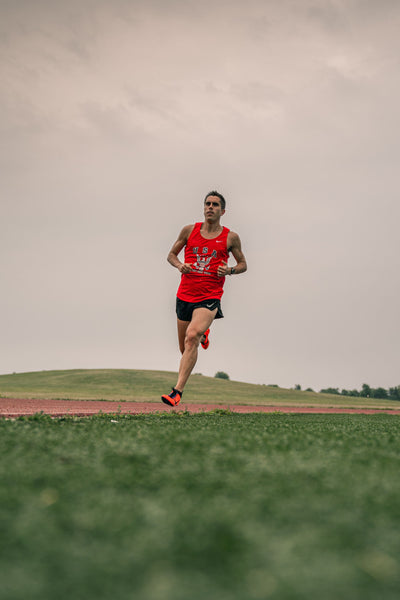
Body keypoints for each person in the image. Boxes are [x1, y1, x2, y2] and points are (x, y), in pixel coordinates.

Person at [162, 191, 247, 406]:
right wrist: (181, 265)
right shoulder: (189, 231)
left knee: (192, 337)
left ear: (223, 211)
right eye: (207, 204)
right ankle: (203, 333)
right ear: (203, 208)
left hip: (209, 296)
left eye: (215, 205)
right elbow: (171, 255)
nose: (210, 207)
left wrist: (229, 271)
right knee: (185, 348)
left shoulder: (230, 237)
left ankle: (176, 392)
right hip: (184, 295)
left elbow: (243, 265)